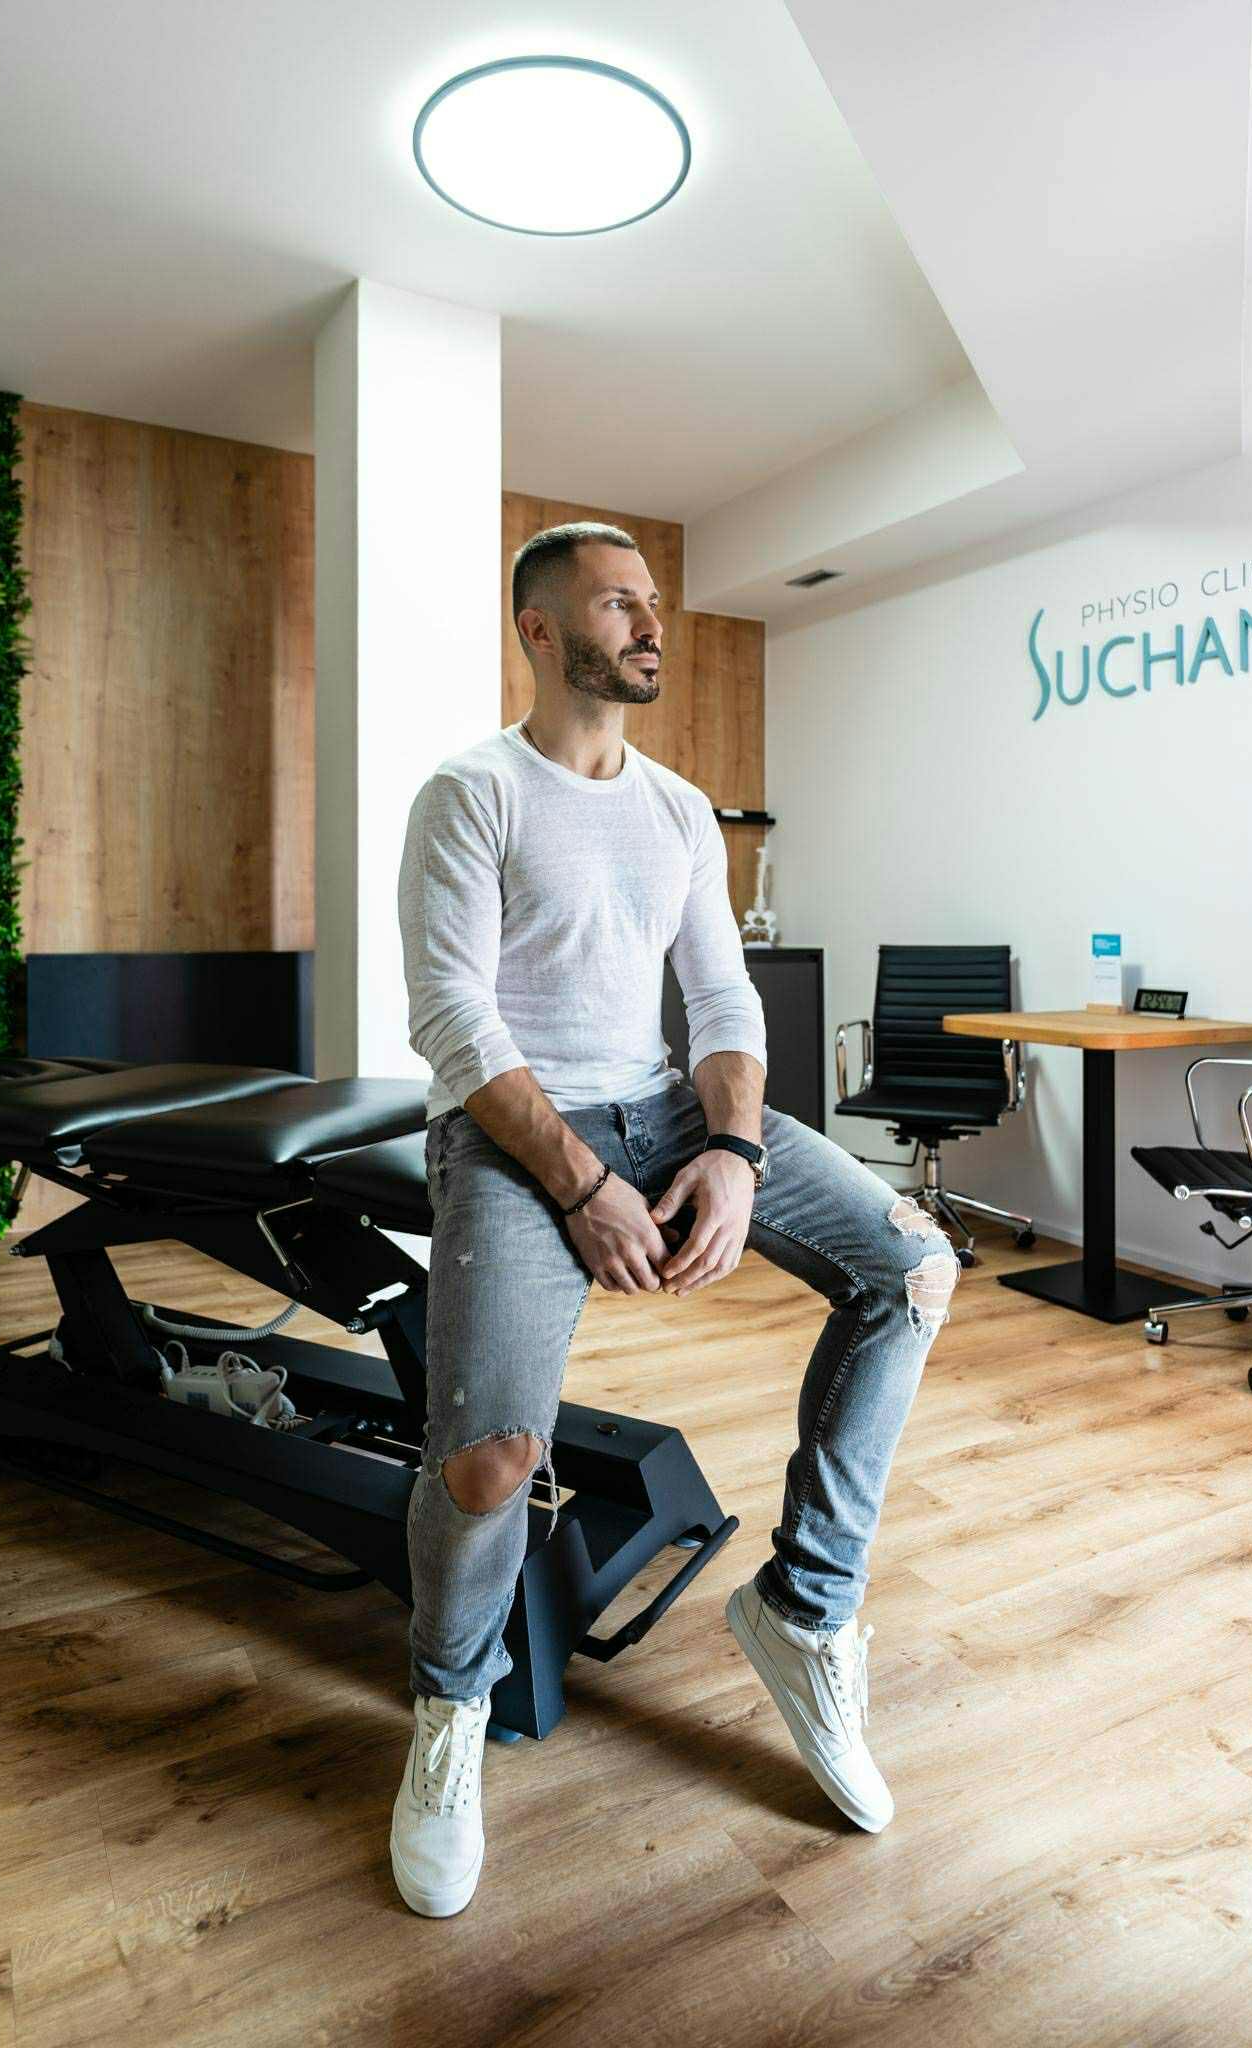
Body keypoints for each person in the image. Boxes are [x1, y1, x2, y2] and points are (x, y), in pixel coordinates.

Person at [390, 522, 960, 1917]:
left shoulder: (679, 808)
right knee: (490, 1462)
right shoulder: (471, 793)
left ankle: (803, 1611)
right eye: (617, 604)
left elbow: (720, 1000)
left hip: (661, 1109)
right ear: (540, 631)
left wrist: (736, 1153)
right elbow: (453, 1018)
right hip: (510, 1133)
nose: (651, 625)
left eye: (652, 603)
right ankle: (449, 1707)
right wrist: (579, 1185)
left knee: (913, 1268)